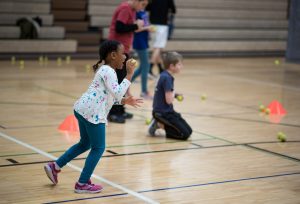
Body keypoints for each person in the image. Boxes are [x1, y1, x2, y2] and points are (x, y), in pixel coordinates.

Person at [44, 40, 143, 194]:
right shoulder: (108, 71)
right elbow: (116, 91)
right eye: (122, 53)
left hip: (83, 110)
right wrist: (130, 73)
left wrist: (124, 101)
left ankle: (55, 166)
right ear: (113, 55)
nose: (124, 57)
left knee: (85, 144)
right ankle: (82, 183)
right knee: (98, 148)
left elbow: (110, 95)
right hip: (93, 113)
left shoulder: (106, 70)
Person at [107, 0, 148, 123]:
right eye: (142, 4)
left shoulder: (133, 10)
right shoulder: (125, 8)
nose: (143, 7)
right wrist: (135, 26)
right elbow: (119, 27)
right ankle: (113, 113)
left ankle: (120, 110)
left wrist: (137, 26)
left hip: (123, 49)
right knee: (117, 82)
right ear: (136, 1)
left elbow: (128, 28)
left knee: (122, 80)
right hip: (116, 50)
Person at [148, 51, 192, 140]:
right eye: (179, 64)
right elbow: (169, 100)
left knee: (189, 131)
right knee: (184, 135)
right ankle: (159, 124)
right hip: (162, 113)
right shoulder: (167, 78)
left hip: (168, 111)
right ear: (172, 66)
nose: (181, 67)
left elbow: (165, 92)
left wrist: (174, 94)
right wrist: (173, 93)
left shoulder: (165, 75)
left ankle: (160, 123)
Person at [146, 0, 176, 77]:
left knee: (156, 47)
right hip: (162, 25)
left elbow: (147, 8)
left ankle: (160, 69)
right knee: (158, 47)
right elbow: (173, 10)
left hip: (152, 25)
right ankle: (149, 69)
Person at [131, 6, 154, 99]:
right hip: (139, 41)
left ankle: (124, 85)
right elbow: (136, 29)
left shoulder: (143, 11)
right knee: (146, 66)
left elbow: (145, 24)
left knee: (142, 67)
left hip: (144, 40)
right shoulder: (136, 12)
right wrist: (147, 28)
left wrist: (149, 30)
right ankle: (144, 92)